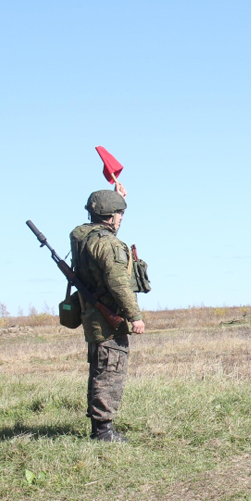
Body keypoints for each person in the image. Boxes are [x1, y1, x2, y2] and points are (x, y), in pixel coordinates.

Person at [70, 188, 146, 442]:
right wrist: (134, 316)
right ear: (109, 215)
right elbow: (118, 284)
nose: (122, 218)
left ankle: (100, 428)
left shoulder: (85, 238)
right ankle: (103, 431)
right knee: (110, 372)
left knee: (100, 369)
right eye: (119, 213)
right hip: (109, 319)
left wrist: (115, 197)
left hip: (93, 316)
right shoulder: (107, 244)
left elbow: (101, 232)